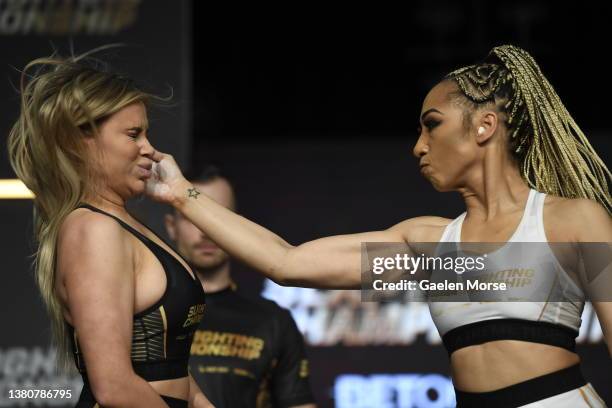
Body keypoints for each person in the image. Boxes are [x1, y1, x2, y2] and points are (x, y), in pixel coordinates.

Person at [145, 45, 611, 407]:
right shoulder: (430, 248)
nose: (418, 147)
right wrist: (179, 192)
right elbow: (286, 262)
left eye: (432, 125)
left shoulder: (572, 220)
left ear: (484, 126)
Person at [8, 51, 213, 407]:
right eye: (134, 134)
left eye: (146, 133)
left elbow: (171, 366)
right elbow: (114, 387)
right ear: (81, 141)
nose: (149, 149)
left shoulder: (124, 224)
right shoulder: (92, 229)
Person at [164, 166, 317, 408]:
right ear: (171, 226)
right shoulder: (148, 313)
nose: (206, 231)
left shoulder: (273, 321)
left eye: (218, 216)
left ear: (237, 226)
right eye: (192, 217)